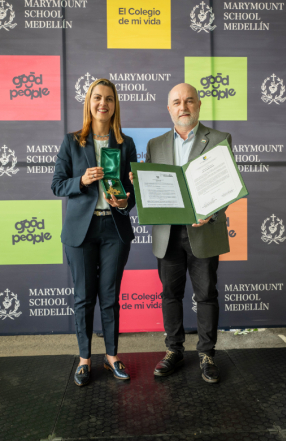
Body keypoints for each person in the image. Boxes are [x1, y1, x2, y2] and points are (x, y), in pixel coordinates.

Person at [130, 83, 231, 383]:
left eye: (189, 101)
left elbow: (227, 186)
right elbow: (152, 190)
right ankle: (173, 351)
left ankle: (206, 354)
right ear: (169, 108)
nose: (183, 107)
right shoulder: (155, 145)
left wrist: (211, 211)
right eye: (176, 102)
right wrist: (139, 183)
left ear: (199, 105)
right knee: (170, 294)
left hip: (204, 232)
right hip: (167, 234)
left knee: (206, 295)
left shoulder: (219, 139)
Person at [52, 78, 137, 386]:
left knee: (110, 296)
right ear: (89, 103)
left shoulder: (125, 143)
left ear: (115, 105)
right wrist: (82, 181)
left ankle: (112, 356)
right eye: (98, 98)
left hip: (114, 228)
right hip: (81, 231)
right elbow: (57, 184)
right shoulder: (72, 141)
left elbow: (133, 190)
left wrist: (127, 198)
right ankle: (85, 358)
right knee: (84, 297)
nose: (103, 103)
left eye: (109, 99)